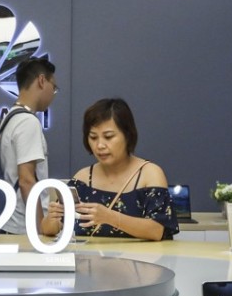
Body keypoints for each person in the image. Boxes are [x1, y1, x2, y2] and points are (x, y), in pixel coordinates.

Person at [42, 98, 179, 240]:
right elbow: (49, 229)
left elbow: (157, 230)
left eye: (108, 137)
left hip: (140, 261)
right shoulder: (82, 179)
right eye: (93, 137)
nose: (100, 145)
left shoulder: (150, 174)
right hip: (90, 260)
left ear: (127, 135)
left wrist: (109, 217)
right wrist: (52, 219)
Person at [0, 58, 60, 234]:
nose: (53, 94)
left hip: (9, 221)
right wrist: (40, 227)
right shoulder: (27, 122)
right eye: (53, 87)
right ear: (42, 81)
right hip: (23, 227)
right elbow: (26, 180)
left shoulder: (9, 118)